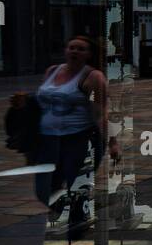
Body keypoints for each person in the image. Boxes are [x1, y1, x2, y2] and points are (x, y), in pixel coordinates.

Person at [11, 34, 118, 232]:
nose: (75, 51)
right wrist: (25, 103)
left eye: (81, 49)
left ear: (89, 55)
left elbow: (101, 113)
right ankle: (75, 216)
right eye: (71, 47)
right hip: (47, 139)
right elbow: (42, 101)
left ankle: (76, 227)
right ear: (66, 51)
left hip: (81, 139)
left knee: (76, 186)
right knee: (44, 190)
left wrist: (112, 143)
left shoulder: (93, 77)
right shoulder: (52, 71)